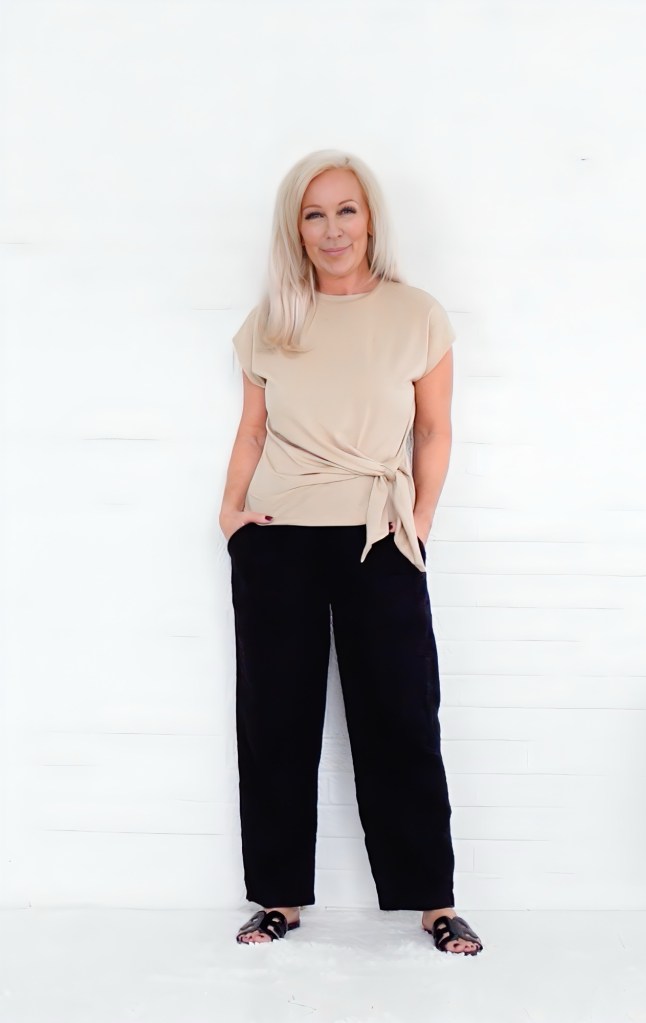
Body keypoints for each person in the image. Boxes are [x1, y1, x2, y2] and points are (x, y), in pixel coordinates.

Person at [219, 150, 484, 956]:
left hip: (381, 533)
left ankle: (431, 900)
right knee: (276, 719)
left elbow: (433, 429)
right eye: (313, 214)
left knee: (402, 715)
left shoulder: (417, 314)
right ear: (294, 231)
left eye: (345, 210)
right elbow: (253, 428)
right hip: (280, 537)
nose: (332, 229)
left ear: (370, 218)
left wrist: (421, 519)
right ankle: (278, 898)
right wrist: (231, 514)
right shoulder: (273, 320)